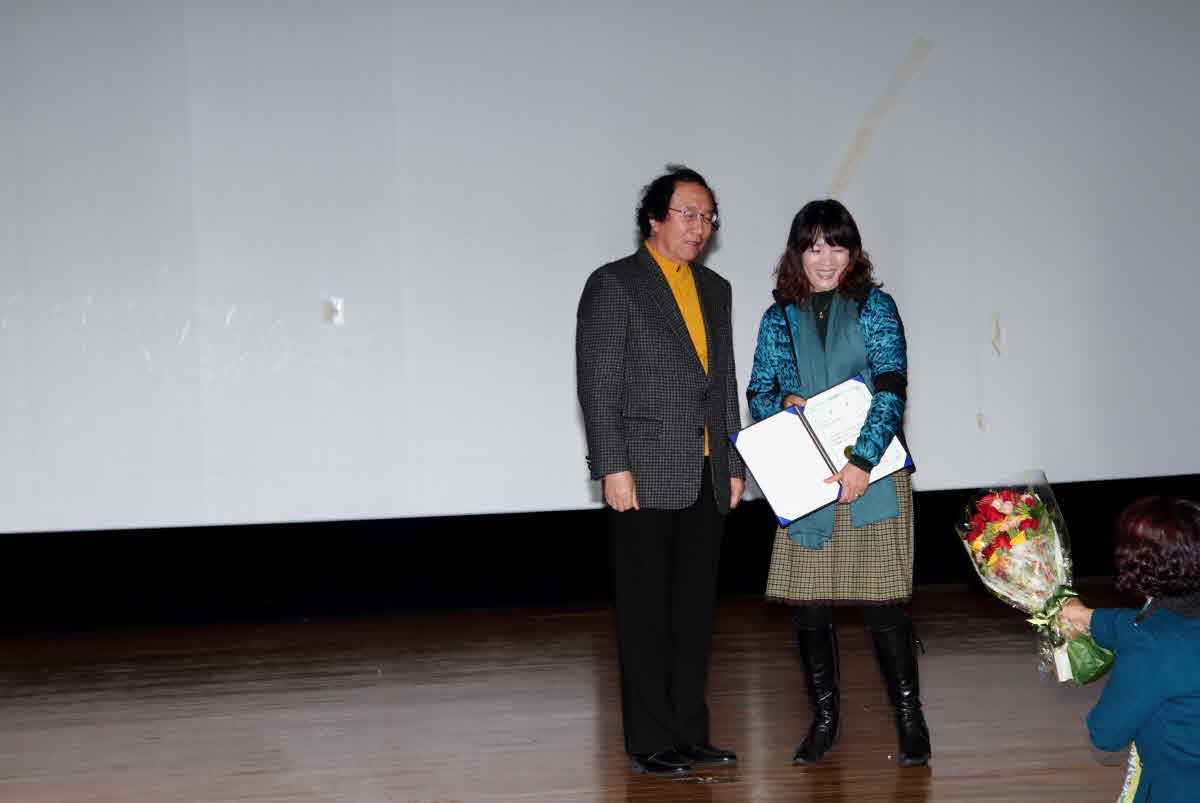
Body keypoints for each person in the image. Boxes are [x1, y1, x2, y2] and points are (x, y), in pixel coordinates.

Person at [745, 199, 930, 767]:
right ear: (797, 253)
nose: (825, 259)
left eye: (836, 246)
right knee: (809, 609)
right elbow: (757, 392)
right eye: (814, 247)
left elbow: (892, 386)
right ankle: (824, 722)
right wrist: (782, 403)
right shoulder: (778, 317)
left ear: (853, 252)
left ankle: (910, 719)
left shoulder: (876, 306)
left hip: (871, 477)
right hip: (806, 482)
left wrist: (862, 461)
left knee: (883, 607)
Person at [575, 165, 746, 778]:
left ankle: (690, 733)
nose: (699, 227)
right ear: (654, 219)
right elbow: (598, 385)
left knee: (694, 613)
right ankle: (649, 740)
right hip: (643, 473)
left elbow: (722, 381)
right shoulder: (615, 284)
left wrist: (732, 460)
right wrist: (612, 466)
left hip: (707, 470)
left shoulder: (716, 288)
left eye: (707, 217)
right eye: (688, 214)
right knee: (646, 613)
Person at [1060, 496, 1200, 803]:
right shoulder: (1167, 626)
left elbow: (1106, 734)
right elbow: (1141, 624)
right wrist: (1086, 616)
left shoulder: (1150, 646)